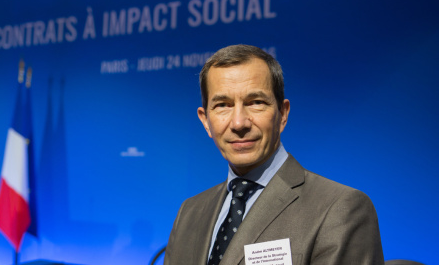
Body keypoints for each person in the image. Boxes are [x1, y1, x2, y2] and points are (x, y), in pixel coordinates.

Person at [164, 44, 384, 265]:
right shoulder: (189, 212)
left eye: (256, 103)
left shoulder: (339, 208)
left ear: (283, 114)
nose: (239, 123)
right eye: (223, 105)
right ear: (206, 121)